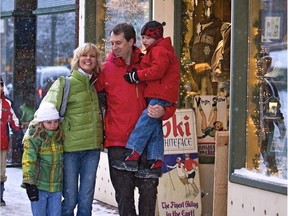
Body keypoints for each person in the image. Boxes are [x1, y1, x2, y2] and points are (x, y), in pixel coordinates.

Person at [96, 23, 176, 216]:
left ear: (131, 41)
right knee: (124, 199)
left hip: (148, 145)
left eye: (119, 43)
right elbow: (90, 99)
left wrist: (164, 112)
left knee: (149, 196)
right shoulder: (106, 69)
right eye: (112, 43)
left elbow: (168, 96)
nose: (114, 47)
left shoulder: (149, 65)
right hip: (118, 143)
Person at [39, 43, 104, 215]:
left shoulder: (97, 85)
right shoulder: (65, 83)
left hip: (92, 149)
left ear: (97, 60)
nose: (88, 59)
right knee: (70, 199)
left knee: (86, 201)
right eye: (84, 55)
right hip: (70, 150)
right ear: (77, 60)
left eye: (92, 56)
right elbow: (45, 110)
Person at [111, 20, 180, 177]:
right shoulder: (154, 51)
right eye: (143, 37)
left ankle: (132, 153)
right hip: (160, 93)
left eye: (148, 37)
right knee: (154, 127)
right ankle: (156, 159)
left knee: (144, 123)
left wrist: (136, 76)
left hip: (160, 94)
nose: (145, 41)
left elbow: (157, 70)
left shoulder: (159, 51)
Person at [21, 102, 64, 216]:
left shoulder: (59, 136)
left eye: (56, 121)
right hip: (39, 186)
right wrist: (29, 182)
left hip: (56, 187)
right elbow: (28, 159)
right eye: (49, 122)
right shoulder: (34, 137)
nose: (53, 125)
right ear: (41, 122)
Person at [0, 78, 21, 207]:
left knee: (1, 172)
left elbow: (14, 120)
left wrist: (19, 134)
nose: (0, 88)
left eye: (1, 85)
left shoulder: (7, 104)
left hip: (2, 143)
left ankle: (0, 196)